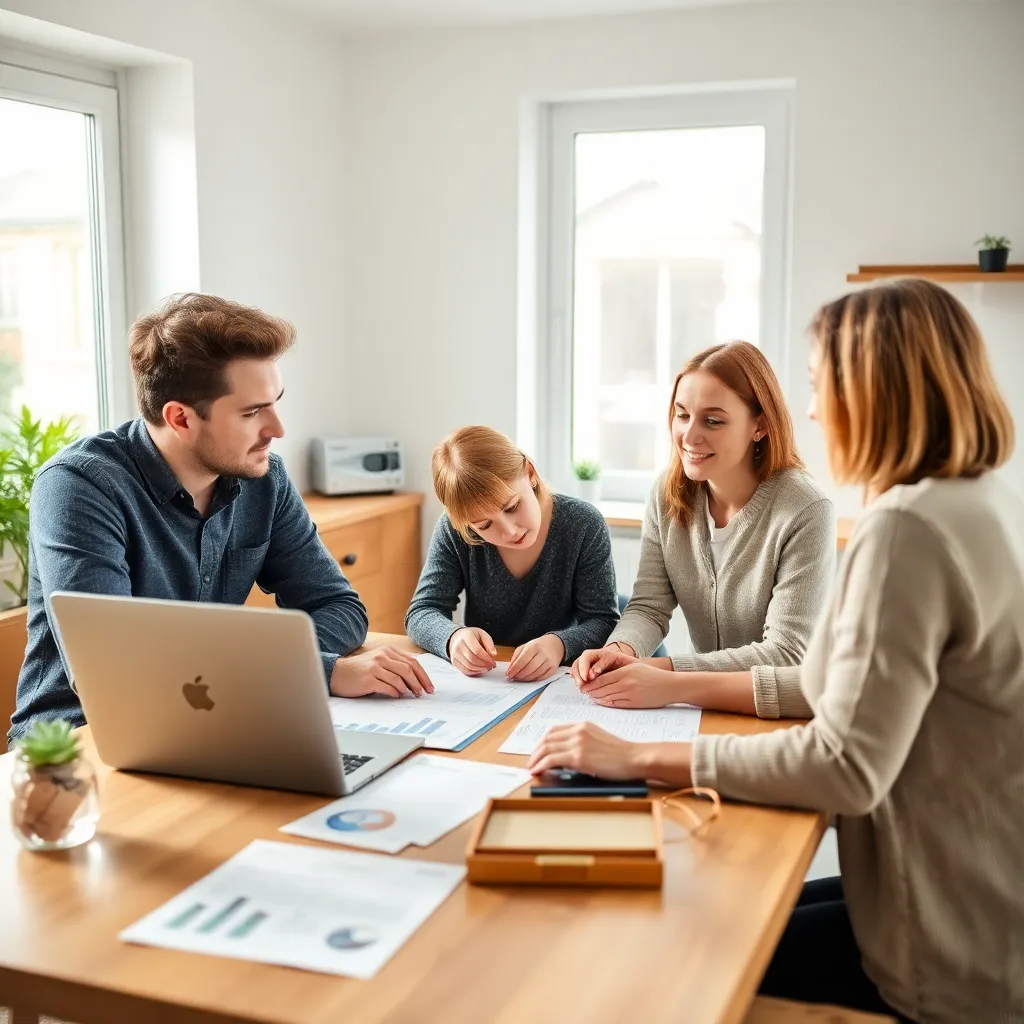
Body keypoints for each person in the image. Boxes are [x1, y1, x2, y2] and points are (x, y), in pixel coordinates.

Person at [529, 279, 1023, 1024]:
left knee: (675, 962)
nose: (819, 408)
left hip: (948, 937)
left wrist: (638, 755)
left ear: (877, 388)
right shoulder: (981, 500)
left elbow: (844, 763)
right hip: (976, 885)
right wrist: (644, 662)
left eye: (826, 384)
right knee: (725, 907)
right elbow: (819, 687)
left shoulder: (903, 531)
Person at [8, 293, 432, 745]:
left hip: (216, 719)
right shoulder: (79, 487)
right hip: (77, 748)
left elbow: (340, 609)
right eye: (252, 412)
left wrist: (262, 674)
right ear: (180, 418)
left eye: (275, 402)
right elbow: (113, 674)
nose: (277, 428)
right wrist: (320, 670)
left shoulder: (263, 478)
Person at [572, 341, 835, 719]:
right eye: (682, 415)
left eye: (713, 421)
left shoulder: (806, 510)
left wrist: (663, 673)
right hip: (703, 706)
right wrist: (619, 654)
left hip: (783, 715)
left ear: (759, 425)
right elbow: (648, 606)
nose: (689, 437)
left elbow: (787, 653)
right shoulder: (667, 494)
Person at [405, 425, 618, 682]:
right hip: (492, 682)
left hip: (563, 683)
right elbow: (422, 611)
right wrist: (453, 638)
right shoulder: (455, 530)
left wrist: (558, 644)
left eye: (512, 506)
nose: (509, 531)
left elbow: (603, 621)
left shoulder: (583, 524)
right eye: (484, 525)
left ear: (530, 472)